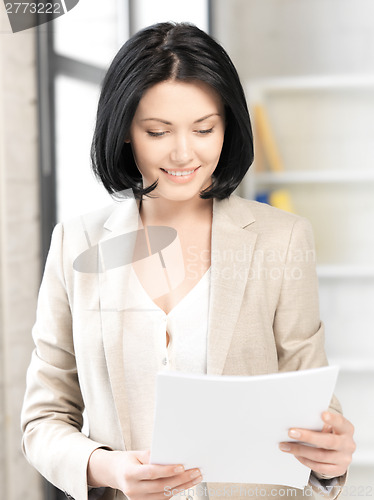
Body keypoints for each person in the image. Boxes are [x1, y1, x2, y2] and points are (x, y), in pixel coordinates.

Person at [21, 22, 355, 500]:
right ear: (125, 132)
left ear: (227, 126)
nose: (183, 153)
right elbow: (43, 419)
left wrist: (328, 459)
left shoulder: (282, 239)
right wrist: (105, 467)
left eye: (204, 129)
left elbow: (311, 403)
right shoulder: (76, 243)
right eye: (157, 131)